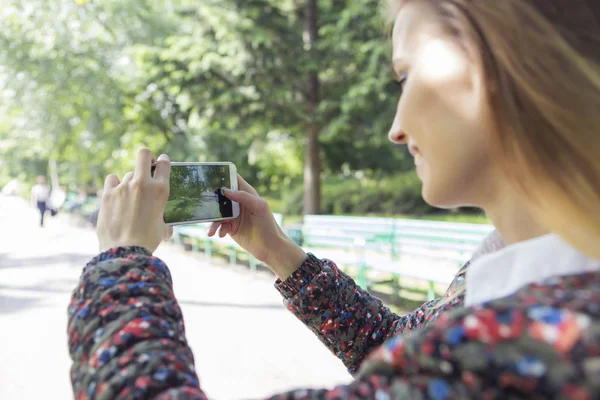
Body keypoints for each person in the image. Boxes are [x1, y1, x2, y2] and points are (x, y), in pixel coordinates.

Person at [68, 0, 600, 398]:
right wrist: (277, 249)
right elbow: (401, 352)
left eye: (407, 74)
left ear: (513, 62)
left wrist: (122, 263)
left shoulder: (529, 346)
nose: (396, 127)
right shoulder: (527, 277)